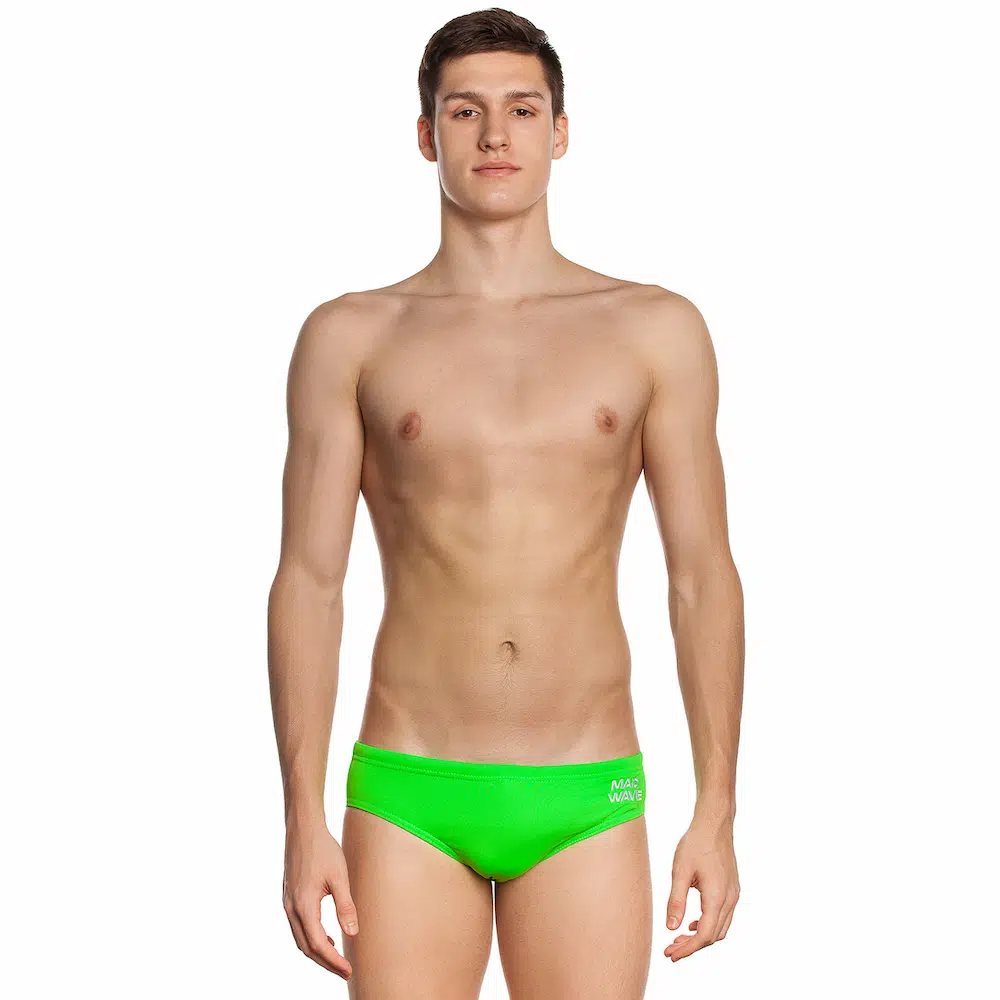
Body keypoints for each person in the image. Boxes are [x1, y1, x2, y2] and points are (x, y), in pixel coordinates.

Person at [267, 8, 744, 997]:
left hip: (587, 787)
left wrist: (717, 809)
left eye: (522, 110)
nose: (494, 135)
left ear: (559, 132)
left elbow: (701, 576)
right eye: (465, 111)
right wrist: (301, 817)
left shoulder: (653, 329)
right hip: (410, 786)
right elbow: (309, 582)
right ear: (425, 134)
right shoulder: (351, 336)